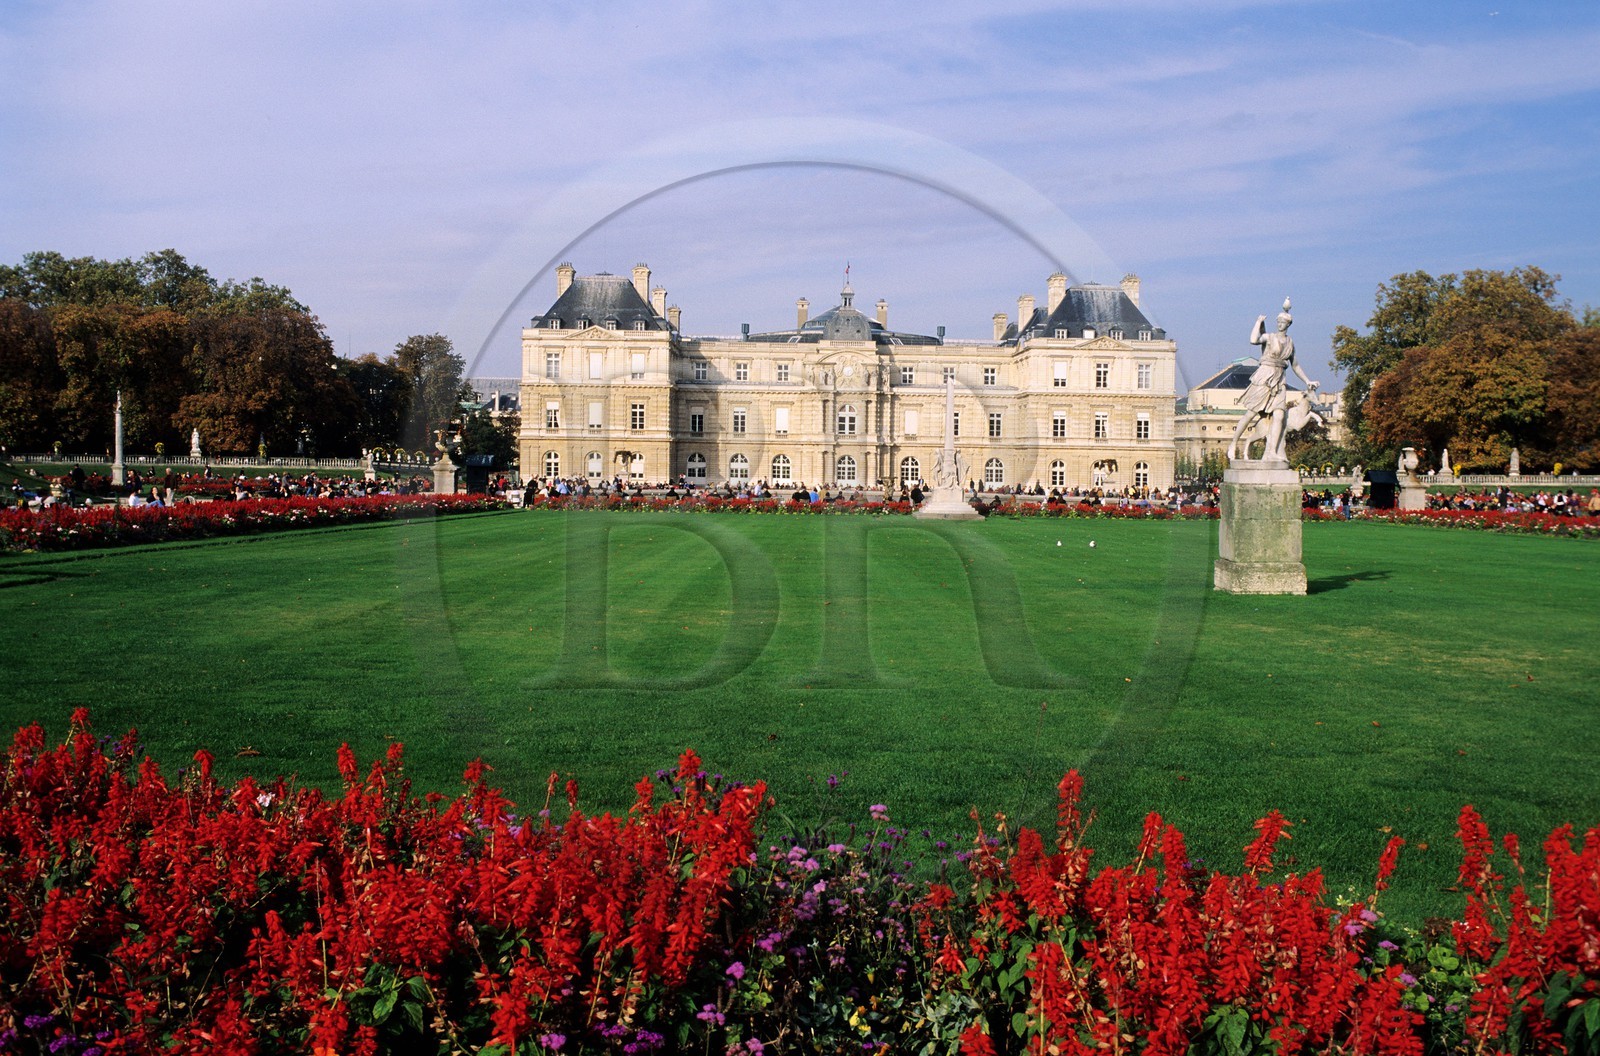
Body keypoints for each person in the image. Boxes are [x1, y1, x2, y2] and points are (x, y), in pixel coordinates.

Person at [1227, 298, 1318, 462]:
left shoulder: (1290, 342)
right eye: (1279, 321)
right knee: (1251, 413)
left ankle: (1271, 452)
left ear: (1288, 324)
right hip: (1264, 377)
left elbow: (1295, 365)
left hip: (1280, 380)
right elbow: (1253, 340)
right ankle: (1233, 443)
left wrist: (1307, 381)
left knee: (1280, 416)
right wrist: (1258, 322)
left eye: (1283, 322)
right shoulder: (1269, 337)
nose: (1280, 324)